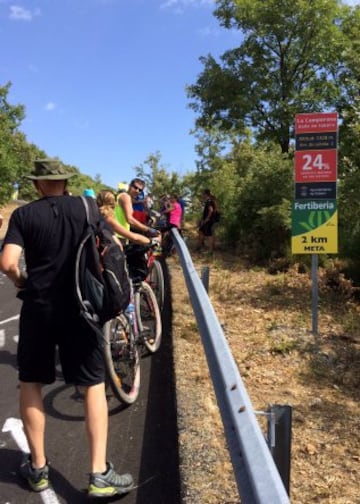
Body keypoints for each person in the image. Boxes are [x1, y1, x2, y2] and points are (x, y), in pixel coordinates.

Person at [0, 159, 134, 498]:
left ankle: (38, 468)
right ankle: (99, 474)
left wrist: (22, 282)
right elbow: (113, 248)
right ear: (64, 182)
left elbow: (8, 263)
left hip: (38, 309)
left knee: (30, 382)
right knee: (91, 385)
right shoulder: (87, 207)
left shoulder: (23, 215)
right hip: (82, 308)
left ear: (37, 185)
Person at [197, 189, 218, 253]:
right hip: (207, 220)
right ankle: (200, 247)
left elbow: (211, 210)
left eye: (203, 194)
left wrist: (206, 219)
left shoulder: (209, 201)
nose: (202, 195)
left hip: (208, 221)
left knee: (209, 235)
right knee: (201, 231)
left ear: (205, 194)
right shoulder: (210, 201)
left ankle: (210, 250)